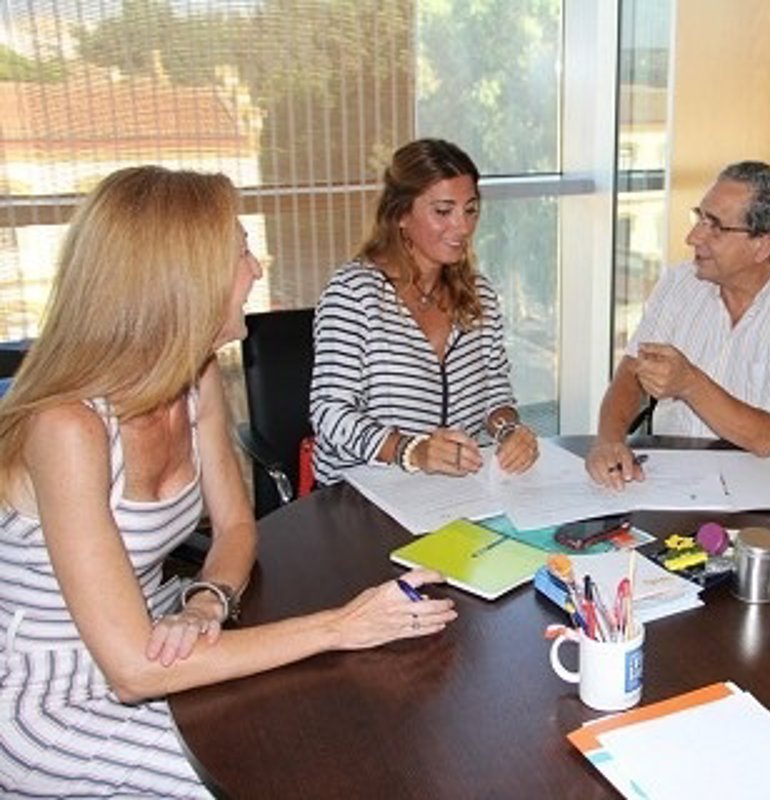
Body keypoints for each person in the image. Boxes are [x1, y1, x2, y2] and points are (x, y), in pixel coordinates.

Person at [0, 166, 457, 797]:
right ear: (184, 278)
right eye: (241, 252)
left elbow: (238, 525)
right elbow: (131, 672)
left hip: (159, 636)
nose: (257, 270)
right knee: (277, 775)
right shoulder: (68, 428)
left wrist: (208, 599)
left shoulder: (195, 378)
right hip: (53, 695)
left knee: (321, 726)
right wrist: (341, 626)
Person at [586, 160, 770, 489]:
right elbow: (632, 373)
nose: (693, 237)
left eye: (716, 226)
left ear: (763, 245)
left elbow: (766, 438)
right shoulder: (680, 283)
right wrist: (609, 440)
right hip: (671, 477)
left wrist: (690, 383)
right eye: (699, 218)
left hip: (769, 488)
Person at [310, 138, 538, 485]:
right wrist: (411, 451)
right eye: (443, 211)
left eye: (471, 210)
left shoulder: (480, 296)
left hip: (451, 492)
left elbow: (496, 393)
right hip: (360, 492)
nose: (463, 227)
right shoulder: (353, 294)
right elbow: (330, 413)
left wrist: (509, 430)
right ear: (401, 214)